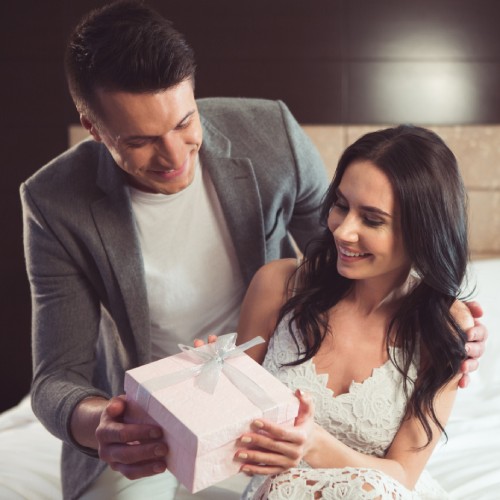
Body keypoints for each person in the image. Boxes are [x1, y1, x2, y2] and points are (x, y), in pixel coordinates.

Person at [19, 1, 485, 499]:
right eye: (140, 140)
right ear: (94, 128)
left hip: (284, 417)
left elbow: (346, 250)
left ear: (194, 92)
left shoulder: (272, 135)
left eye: (184, 123)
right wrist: (106, 426)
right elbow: (55, 378)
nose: (174, 157)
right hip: (148, 424)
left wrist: (440, 317)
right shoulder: (55, 201)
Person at [232, 125, 480, 499]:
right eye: (342, 205)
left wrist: (313, 446)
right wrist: (205, 379)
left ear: (422, 232)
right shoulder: (277, 287)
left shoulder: (443, 335)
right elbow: (229, 419)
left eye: (372, 219)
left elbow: (402, 474)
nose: (343, 231)